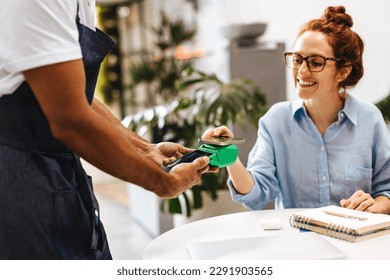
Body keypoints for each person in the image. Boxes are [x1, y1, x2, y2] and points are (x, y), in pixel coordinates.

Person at [0, 0, 214, 259]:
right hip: (19, 180)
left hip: (58, 171)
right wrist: (162, 182)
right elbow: (70, 118)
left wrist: (145, 149)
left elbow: (75, 96)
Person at [202, 6, 390, 214]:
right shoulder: (276, 120)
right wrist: (230, 159)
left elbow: (387, 189)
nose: (301, 71)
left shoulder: (369, 120)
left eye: (316, 62)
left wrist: (376, 205)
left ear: (343, 71)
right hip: (297, 243)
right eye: (298, 60)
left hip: (354, 243)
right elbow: (256, 196)